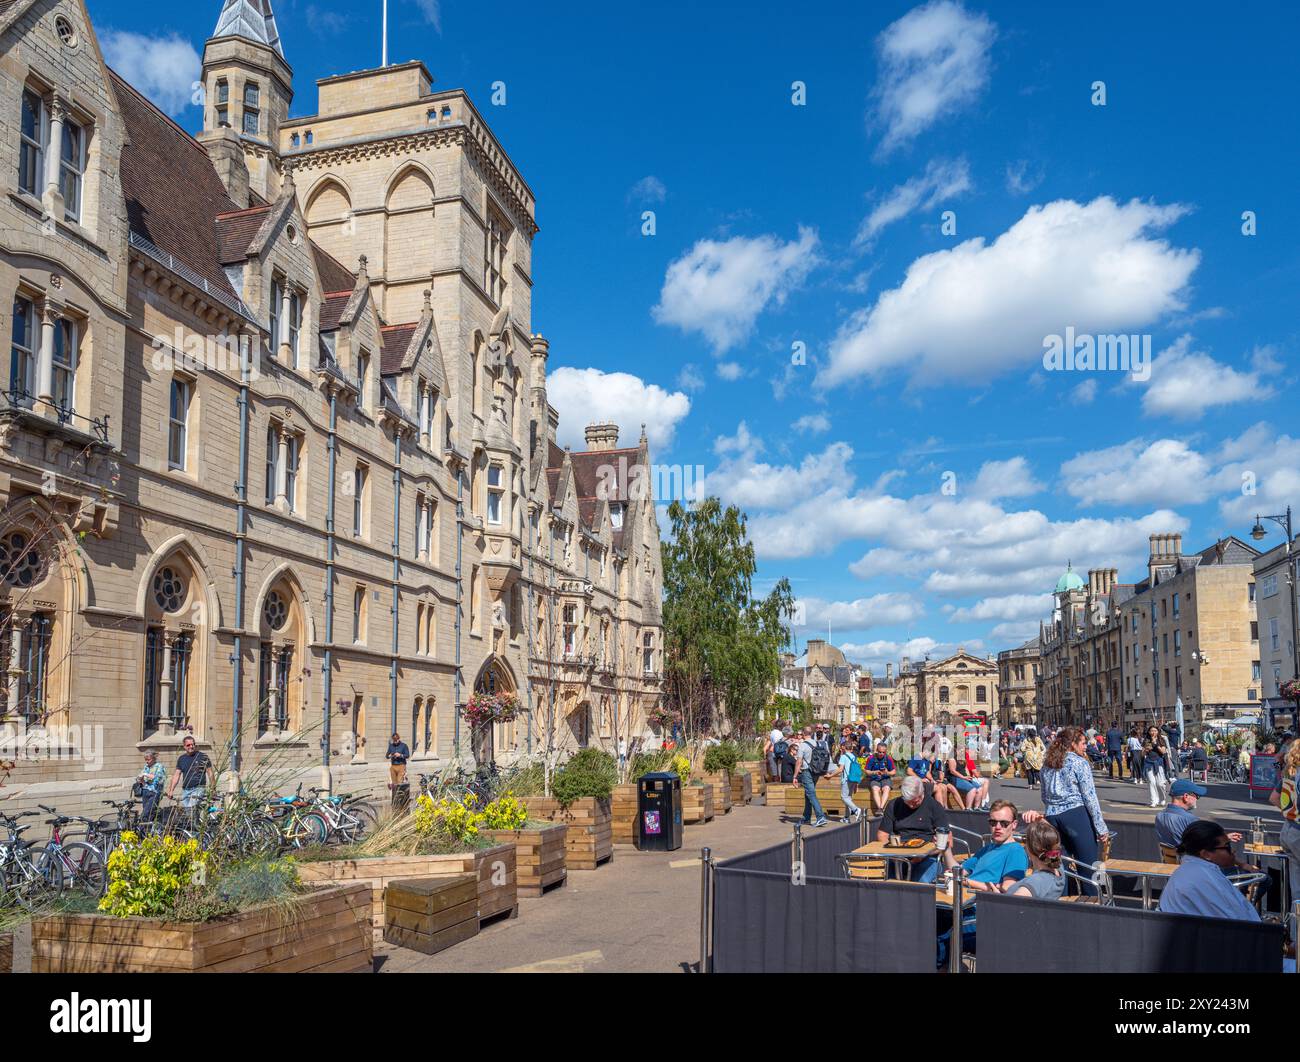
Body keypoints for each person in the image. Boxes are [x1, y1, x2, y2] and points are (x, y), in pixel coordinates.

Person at [1030, 726, 1109, 896]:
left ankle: (1062, 903)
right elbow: (1090, 797)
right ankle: (1096, 902)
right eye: (1083, 743)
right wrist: (1100, 826)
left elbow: (1044, 795)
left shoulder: (1047, 764)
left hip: (1052, 817)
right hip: (1075, 815)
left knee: (1059, 867)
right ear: (1073, 744)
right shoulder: (1079, 763)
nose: (1085, 746)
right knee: (1090, 866)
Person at [1158, 820, 1260, 922]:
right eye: (1228, 847)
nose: (1233, 851)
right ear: (1206, 854)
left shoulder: (1194, 870)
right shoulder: (1203, 879)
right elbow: (1236, 923)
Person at [942, 800, 1029, 892]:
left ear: (1014, 824)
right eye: (993, 822)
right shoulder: (988, 848)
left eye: (1004, 823)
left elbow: (1007, 887)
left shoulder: (1015, 850)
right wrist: (946, 848)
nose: (998, 827)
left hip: (980, 902)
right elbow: (959, 871)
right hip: (965, 896)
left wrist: (965, 881)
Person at [878, 777, 949, 883]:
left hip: (928, 857)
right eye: (908, 802)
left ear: (922, 793)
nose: (911, 805)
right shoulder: (894, 805)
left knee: (920, 882)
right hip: (898, 856)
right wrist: (892, 854)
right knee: (887, 881)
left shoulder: (934, 806)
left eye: (915, 802)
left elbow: (947, 841)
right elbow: (882, 834)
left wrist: (924, 854)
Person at [1268, 737, 1300, 941]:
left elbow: (1273, 798)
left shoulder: (1290, 773)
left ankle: (1297, 940)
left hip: (1289, 830)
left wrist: (1290, 813)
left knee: (1297, 891)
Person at [1008, 819, 1067, 901]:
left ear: (1031, 848)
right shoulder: (1058, 867)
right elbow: (1052, 837)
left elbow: (1012, 907)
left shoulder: (1037, 881)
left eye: (1025, 840)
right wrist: (1040, 820)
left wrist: (997, 899)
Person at [165, 735, 214, 817]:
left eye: (193, 744)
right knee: (189, 815)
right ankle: (197, 828)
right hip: (186, 790)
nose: (191, 746)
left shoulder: (203, 757)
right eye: (188, 745)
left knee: (191, 808)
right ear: (184, 746)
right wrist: (171, 790)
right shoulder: (181, 759)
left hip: (198, 788)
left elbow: (210, 773)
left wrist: (213, 788)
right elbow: (176, 775)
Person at [795, 726, 829, 828]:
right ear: (811, 733)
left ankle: (820, 817)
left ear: (803, 734)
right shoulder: (817, 743)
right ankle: (806, 817)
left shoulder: (802, 745)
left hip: (807, 772)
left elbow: (799, 761)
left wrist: (795, 776)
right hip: (816, 772)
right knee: (808, 793)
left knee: (811, 794)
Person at [829, 740, 863, 822]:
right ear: (851, 749)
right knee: (848, 798)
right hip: (853, 779)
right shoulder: (854, 756)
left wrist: (830, 775)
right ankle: (846, 818)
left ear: (843, 748)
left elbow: (840, 769)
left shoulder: (843, 757)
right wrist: (856, 784)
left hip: (846, 779)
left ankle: (856, 810)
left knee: (844, 797)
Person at [1141, 725, 1174, 807]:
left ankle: (1163, 798)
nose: (1153, 732)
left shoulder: (1161, 739)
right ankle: (1154, 801)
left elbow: (1163, 752)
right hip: (1149, 763)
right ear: (1149, 732)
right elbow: (1142, 754)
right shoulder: (1146, 740)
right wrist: (1145, 750)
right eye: (1151, 731)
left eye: (1155, 731)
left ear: (1158, 732)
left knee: (1160, 783)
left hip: (1159, 763)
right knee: (1152, 782)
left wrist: (1156, 744)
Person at [863, 742, 895, 814]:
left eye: (883, 752)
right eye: (880, 752)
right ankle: (880, 809)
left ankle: (880, 808)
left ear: (885, 751)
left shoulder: (888, 758)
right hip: (875, 779)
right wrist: (874, 772)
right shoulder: (871, 758)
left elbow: (893, 772)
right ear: (877, 750)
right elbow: (866, 771)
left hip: (885, 778)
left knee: (886, 788)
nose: (881, 754)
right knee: (875, 789)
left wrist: (887, 772)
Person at [135, 751, 166, 823]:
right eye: (145, 759)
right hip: (146, 791)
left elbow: (158, 778)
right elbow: (141, 777)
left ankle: (146, 827)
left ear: (154, 758)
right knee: (149, 812)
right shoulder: (146, 767)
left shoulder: (159, 766)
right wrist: (140, 779)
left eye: (148, 759)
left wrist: (145, 774)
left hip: (155, 792)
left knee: (146, 812)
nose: (147, 761)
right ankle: (148, 829)